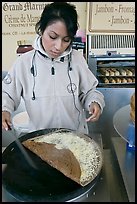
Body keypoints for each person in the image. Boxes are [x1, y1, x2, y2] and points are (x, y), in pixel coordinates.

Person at [2, 2, 105, 135]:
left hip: (75, 137)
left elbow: (89, 91)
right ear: (41, 30)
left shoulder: (77, 59)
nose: (58, 46)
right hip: (41, 140)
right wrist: (4, 109)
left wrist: (94, 102)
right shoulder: (24, 63)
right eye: (53, 37)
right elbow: (7, 94)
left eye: (66, 40)